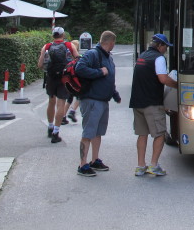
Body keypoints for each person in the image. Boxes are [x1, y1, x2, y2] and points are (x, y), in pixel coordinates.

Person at [129, 34, 178, 177]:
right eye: (165, 47)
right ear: (160, 45)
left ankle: (140, 166)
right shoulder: (159, 58)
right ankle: (154, 165)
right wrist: (177, 85)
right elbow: (163, 78)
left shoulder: (143, 56)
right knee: (160, 134)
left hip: (137, 102)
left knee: (142, 134)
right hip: (152, 103)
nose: (166, 50)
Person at [74, 31, 120, 177]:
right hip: (92, 99)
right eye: (114, 43)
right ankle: (82, 164)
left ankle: (94, 160)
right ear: (111, 42)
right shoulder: (93, 54)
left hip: (102, 100)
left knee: (98, 132)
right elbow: (79, 68)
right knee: (88, 133)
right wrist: (99, 72)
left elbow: (109, 78)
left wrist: (114, 94)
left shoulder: (107, 57)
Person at [37, 27, 79, 143]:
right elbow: (78, 60)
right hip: (64, 78)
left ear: (53, 36)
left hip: (51, 78)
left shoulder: (47, 46)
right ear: (63, 35)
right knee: (61, 104)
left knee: (51, 101)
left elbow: (40, 65)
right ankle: (56, 132)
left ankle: (50, 127)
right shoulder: (70, 46)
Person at [64, 40, 81, 123]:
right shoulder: (78, 57)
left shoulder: (66, 56)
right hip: (75, 80)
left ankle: (63, 116)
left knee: (69, 99)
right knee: (80, 96)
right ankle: (72, 111)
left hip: (67, 81)